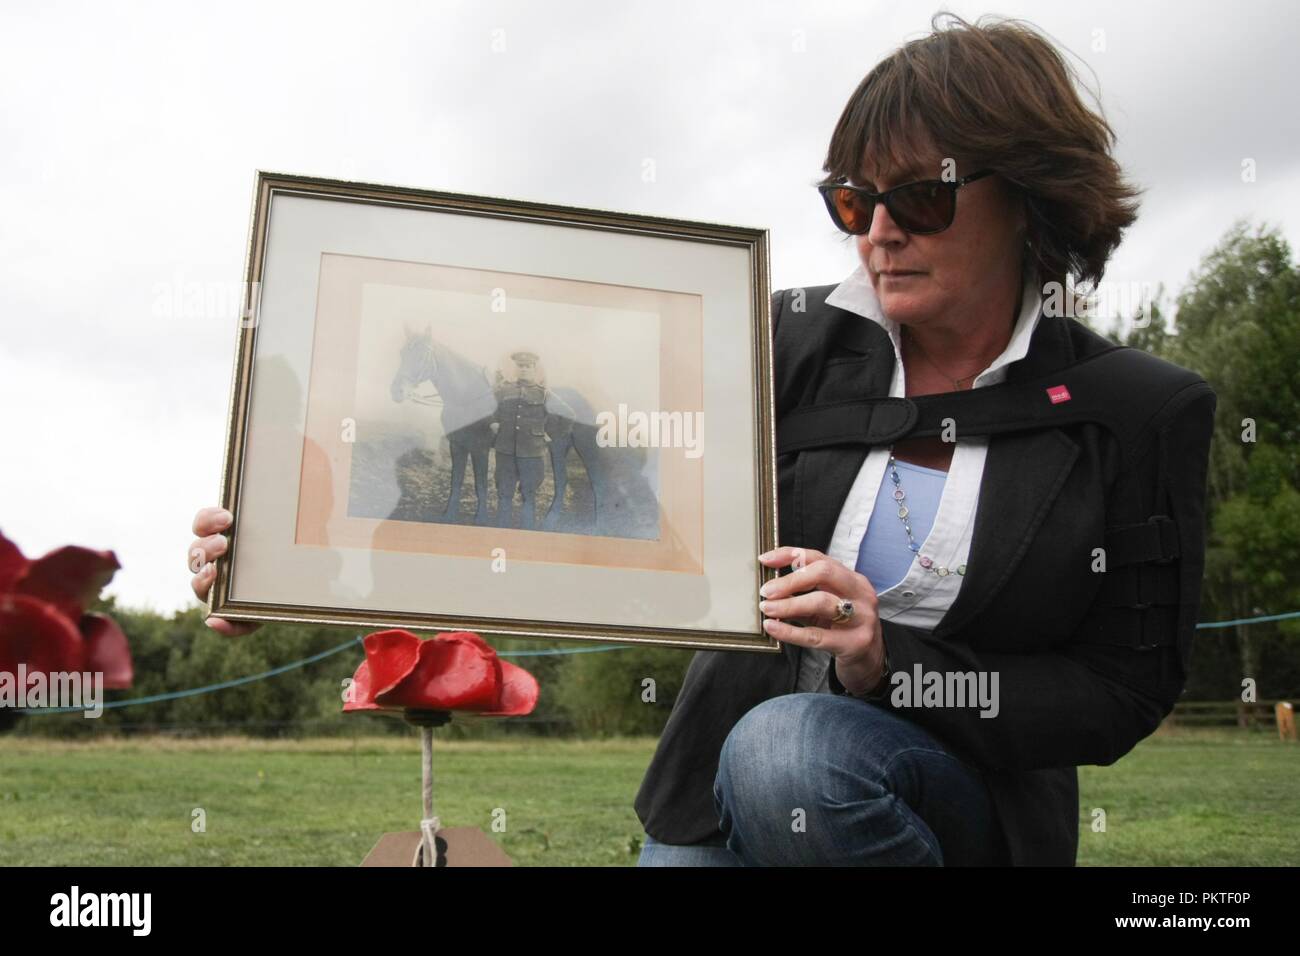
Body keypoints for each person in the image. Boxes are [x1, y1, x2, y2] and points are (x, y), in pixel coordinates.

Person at [634, 13, 1216, 866]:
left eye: (919, 196)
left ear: (1028, 197)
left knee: (788, 753)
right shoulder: (775, 339)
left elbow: (1120, 692)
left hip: (966, 793)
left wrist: (889, 661)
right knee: (766, 757)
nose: (877, 232)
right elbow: (637, 485)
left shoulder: (1137, 410)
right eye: (852, 199)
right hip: (718, 785)